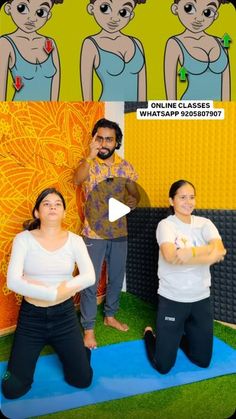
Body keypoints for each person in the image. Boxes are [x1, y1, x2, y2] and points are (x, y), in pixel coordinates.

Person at [1, 188, 95, 399]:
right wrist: (53, 292)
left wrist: (56, 289)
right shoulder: (23, 239)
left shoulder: (75, 241)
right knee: (12, 390)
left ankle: (82, 354)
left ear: (63, 213)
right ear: (37, 212)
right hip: (31, 319)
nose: (53, 206)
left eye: (58, 204)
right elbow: (14, 281)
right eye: (46, 203)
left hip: (65, 317)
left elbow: (89, 276)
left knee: (82, 380)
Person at [144, 180, 226, 374]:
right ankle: (150, 335)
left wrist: (191, 253)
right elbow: (171, 256)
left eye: (191, 197)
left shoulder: (205, 223)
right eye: (182, 197)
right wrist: (209, 253)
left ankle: (176, 336)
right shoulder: (166, 225)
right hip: (173, 298)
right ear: (171, 201)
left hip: (200, 299)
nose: (188, 202)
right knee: (163, 366)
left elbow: (220, 250)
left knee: (202, 361)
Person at [73, 118, 140, 349]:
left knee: (116, 275)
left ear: (116, 142)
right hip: (92, 233)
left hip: (119, 232)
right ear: (94, 139)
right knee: (89, 280)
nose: (103, 143)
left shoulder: (126, 167)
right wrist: (89, 156)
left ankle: (110, 316)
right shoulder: (88, 164)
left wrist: (125, 206)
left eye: (108, 139)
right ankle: (89, 328)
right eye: (99, 138)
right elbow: (76, 179)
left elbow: (134, 196)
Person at [164, 0, 236, 100]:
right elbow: (170, 91)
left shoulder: (222, 42)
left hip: (218, 111)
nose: (199, 18)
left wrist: (228, 113)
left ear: (215, 16)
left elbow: (226, 88)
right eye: (189, 8)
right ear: (175, 9)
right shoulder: (174, 43)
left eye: (207, 12)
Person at [80, 0, 147, 101]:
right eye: (105, 8)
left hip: (133, 112)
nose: (115, 18)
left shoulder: (137, 43)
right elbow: (87, 97)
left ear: (131, 15)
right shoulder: (90, 44)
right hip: (107, 110)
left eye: (123, 12)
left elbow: (143, 91)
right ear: (91, 8)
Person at [0, 0, 63, 101]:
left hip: (47, 113)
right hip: (20, 112)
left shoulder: (50, 42)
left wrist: (54, 111)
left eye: (40, 12)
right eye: (22, 8)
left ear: (49, 16)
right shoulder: (5, 43)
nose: (32, 18)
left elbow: (56, 81)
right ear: (8, 8)